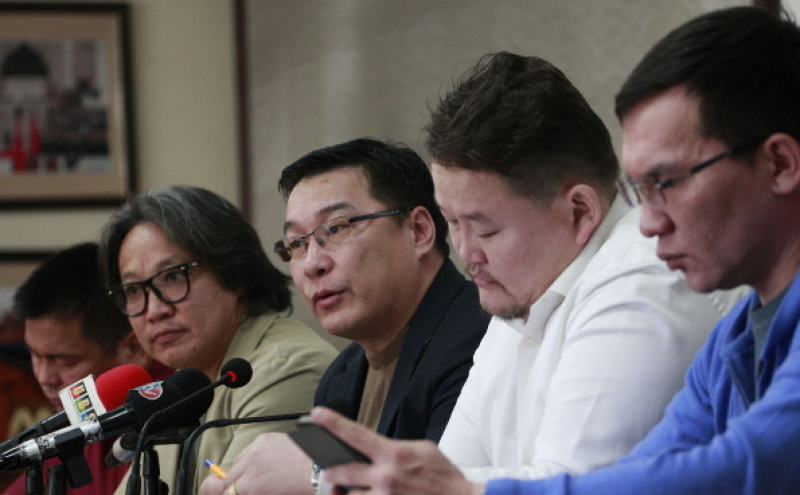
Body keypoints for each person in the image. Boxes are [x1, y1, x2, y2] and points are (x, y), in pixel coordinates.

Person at [306, 6, 800, 495]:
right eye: (640, 190)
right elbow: (637, 479)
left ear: (780, 164)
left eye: (666, 183)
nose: (650, 221)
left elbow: (742, 467)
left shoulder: (644, 275)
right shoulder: (734, 337)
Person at [200, 138, 489, 495]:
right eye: (297, 244)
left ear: (418, 231)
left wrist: (314, 478)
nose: (312, 264)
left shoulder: (478, 342)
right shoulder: (340, 376)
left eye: (335, 229)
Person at [98, 185, 338, 495]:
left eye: (172, 276)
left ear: (234, 274)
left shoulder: (287, 368)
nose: (154, 310)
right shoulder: (180, 390)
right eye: (133, 290)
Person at [5, 242, 170, 495]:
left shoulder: (174, 416)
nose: (45, 378)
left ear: (134, 349)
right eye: (34, 356)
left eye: (65, 361)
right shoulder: (77, 422)